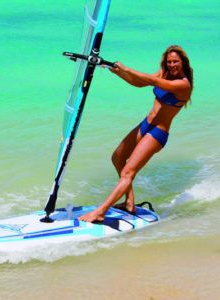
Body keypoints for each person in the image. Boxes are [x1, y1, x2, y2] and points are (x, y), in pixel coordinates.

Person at [79, 45, 193, 222]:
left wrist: (126, 68)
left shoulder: (183, 85)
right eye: (169, 61)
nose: (171, 65)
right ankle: (129, 203)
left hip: (157, 133)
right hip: (146, 124)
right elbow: (140, 83)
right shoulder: (164, 73)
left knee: (127, 172)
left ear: (183, 62)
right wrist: (116, 71)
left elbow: (152, 81)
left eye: (175, 62)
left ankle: (100, 211)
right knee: (117, 157)